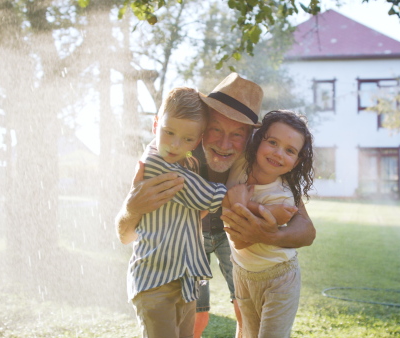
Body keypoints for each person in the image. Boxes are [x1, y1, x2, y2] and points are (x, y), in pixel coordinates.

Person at [116, 73, 316, 338]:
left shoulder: (254, 160)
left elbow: (306, 229)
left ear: (250, 137)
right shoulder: (177, 151)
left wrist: (271, 234)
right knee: (195, 314)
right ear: (203, 128)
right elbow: (125, 235)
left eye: (237, 134)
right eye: (216, 130)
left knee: (243, 309)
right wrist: (132, 208)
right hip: (188, 236)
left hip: (230, 232)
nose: (224, 144)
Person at [119, 87, 228, 338]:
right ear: (155, 124)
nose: (175, 144)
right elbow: (209, 196)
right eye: (168, 132)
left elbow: (194, 212)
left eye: (188, 139)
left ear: (198, 139)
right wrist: (240, 193)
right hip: (155, 281)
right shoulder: (158, 164)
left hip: (184, 281)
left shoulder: (186, 162)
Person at [223, 110, 314, 338]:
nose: (278, 153)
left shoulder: (282, 197)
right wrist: (253, 208)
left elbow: (240, 239)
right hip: (243, 274)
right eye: (272, 142)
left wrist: (242, 201)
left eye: (290, 150)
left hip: (279, 278)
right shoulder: (241, 162)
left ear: (297, 161)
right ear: (258, 138)